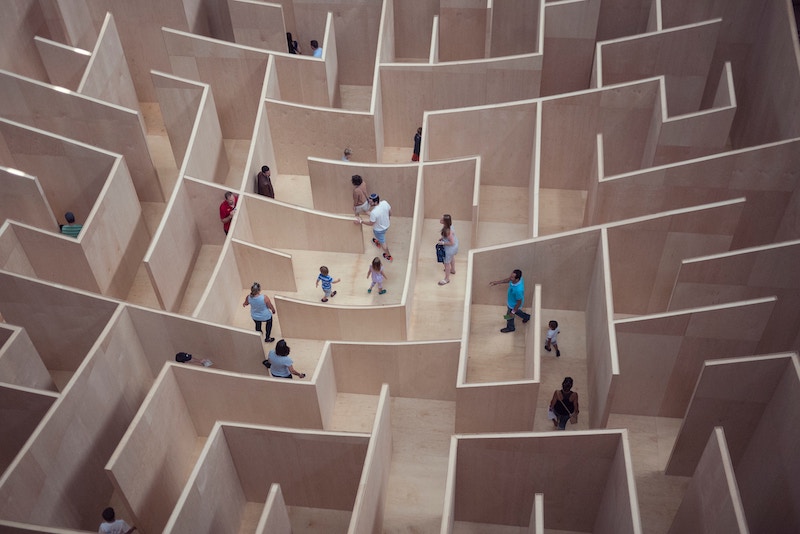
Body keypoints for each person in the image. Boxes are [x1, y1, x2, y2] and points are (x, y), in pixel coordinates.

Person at [357, 193, 393, 262]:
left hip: (379, 230)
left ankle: (389, 256)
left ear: (375, 202)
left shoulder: (374, 212)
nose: (369, 203)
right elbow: (390, 213)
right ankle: (378, 240)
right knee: (380, 237)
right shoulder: (385, 203)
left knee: (383, 243)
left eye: (370, 202)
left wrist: (361, 221)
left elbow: (371, 223)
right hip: (387, 225)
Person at [437, 214, 458, 286]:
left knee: (446, 263)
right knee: (452, 258)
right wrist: (443, 238)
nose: (440, 219)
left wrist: (443, 242)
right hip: (453, 247)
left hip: (450, 248)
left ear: (445, 222)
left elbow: (452, 242)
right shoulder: (449, 226)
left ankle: (447, 278)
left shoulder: (448, 231)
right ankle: (453, 270)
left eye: (442, 219)